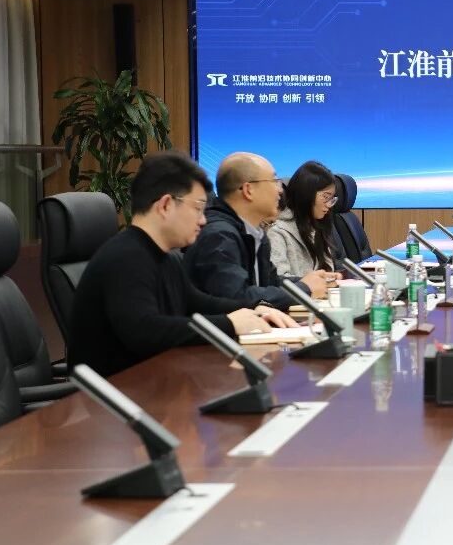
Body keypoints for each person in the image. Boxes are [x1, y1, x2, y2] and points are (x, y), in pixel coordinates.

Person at [69, 152, 295, 377]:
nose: (203, 220)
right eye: (198, 208)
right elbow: (145, 331)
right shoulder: (125, 257)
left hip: (157, 381)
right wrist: (230, 323)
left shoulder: (165, 257)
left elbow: (200, 302)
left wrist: (253, 311)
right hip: (118, 391)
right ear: (166, 205)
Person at [185, 152, 336, 309]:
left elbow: (271, 283)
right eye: (274, 181)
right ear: (248, 190)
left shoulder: (254, 233)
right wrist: (304, 289)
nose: (280, 190)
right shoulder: (219, 236)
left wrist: (308, 282)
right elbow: (237, 298)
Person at [269, 161, 343, 279]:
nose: (329, 205)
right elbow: (279, 281)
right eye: (325, 197)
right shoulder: (277, 232)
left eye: (331, 199)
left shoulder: (316, 226)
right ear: (306, 194)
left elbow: (327, 272)